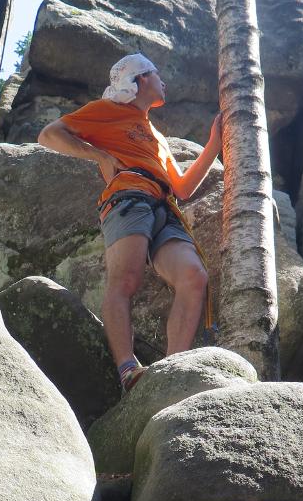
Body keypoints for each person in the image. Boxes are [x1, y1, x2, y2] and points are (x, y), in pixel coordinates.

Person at [38, 53, 222, 393]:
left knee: (193, 277)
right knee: (125, 280)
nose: (163, 82)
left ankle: (170, 372)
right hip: (130, 196)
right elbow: (50, 134)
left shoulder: (156, 134)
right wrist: (100, 155)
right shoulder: (108, 110)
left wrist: (214, 143)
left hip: (164, 206)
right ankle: (127, 368)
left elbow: (182, 188)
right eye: (157, 74)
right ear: (140, 80)